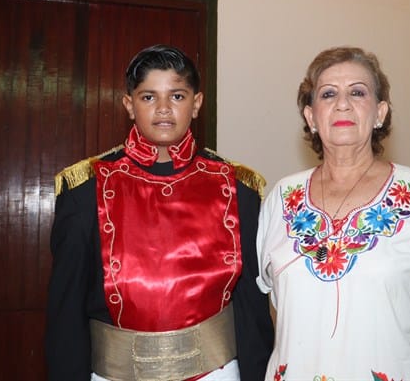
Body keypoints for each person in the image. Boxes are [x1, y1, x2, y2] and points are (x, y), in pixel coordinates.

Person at [45, 44, 274, 381]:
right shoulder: (84, 190)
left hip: (218, 373)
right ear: (129, 104)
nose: (164, 109)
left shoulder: (238, 188)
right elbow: (65, 312)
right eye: (149, 97)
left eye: (177, 96)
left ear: (196, 104)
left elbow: (252, 309)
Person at [256, 46, 410, 381]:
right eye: (328, 93)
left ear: (380, 113)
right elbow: (280, 307)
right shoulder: (280, 198)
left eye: (358, 92)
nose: (343, 103)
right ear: (310, 117)